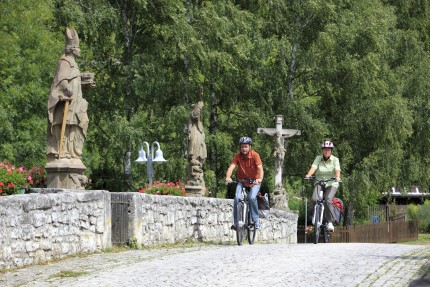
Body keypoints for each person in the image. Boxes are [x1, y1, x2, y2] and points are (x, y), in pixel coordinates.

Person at [47, 28, 94, 160]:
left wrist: (85, 82)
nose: (79, 50)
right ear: (72, 48)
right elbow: (61, 80)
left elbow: (74, 81)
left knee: (79, 123)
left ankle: (73, 151)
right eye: (78, 47)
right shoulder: (65, 62)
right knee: (67, 123)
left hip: (76, 101)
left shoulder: (74, 63)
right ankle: (64, 151)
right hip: (67, 101)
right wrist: (66, 87)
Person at [226, 137, 264, 230]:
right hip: (242, 181)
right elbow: (232, 167)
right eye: (242, 147)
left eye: (246, 146)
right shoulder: (237, 156)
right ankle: (236, 223)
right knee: (237, 199)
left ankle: (256, 221)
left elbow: (260, 168)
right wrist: (228, 177)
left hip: (255, 181)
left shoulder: (255, 155)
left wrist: (259, 179)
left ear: (249, 147)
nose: (244, 149)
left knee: (251, 198)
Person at [305, 140, 341, 232]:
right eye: (325, 149)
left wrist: (337, 177)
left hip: (331, 183)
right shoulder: (318, 158)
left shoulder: (335, 160)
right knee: (314, 199)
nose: (326, 151)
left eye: (328, 150)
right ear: (322, 150)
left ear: (331, 151)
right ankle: (314, 216)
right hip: (319, 181)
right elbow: (313, 168)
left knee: (328, 199)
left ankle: (330, 222)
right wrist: (309, 175)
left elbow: (337, 170)